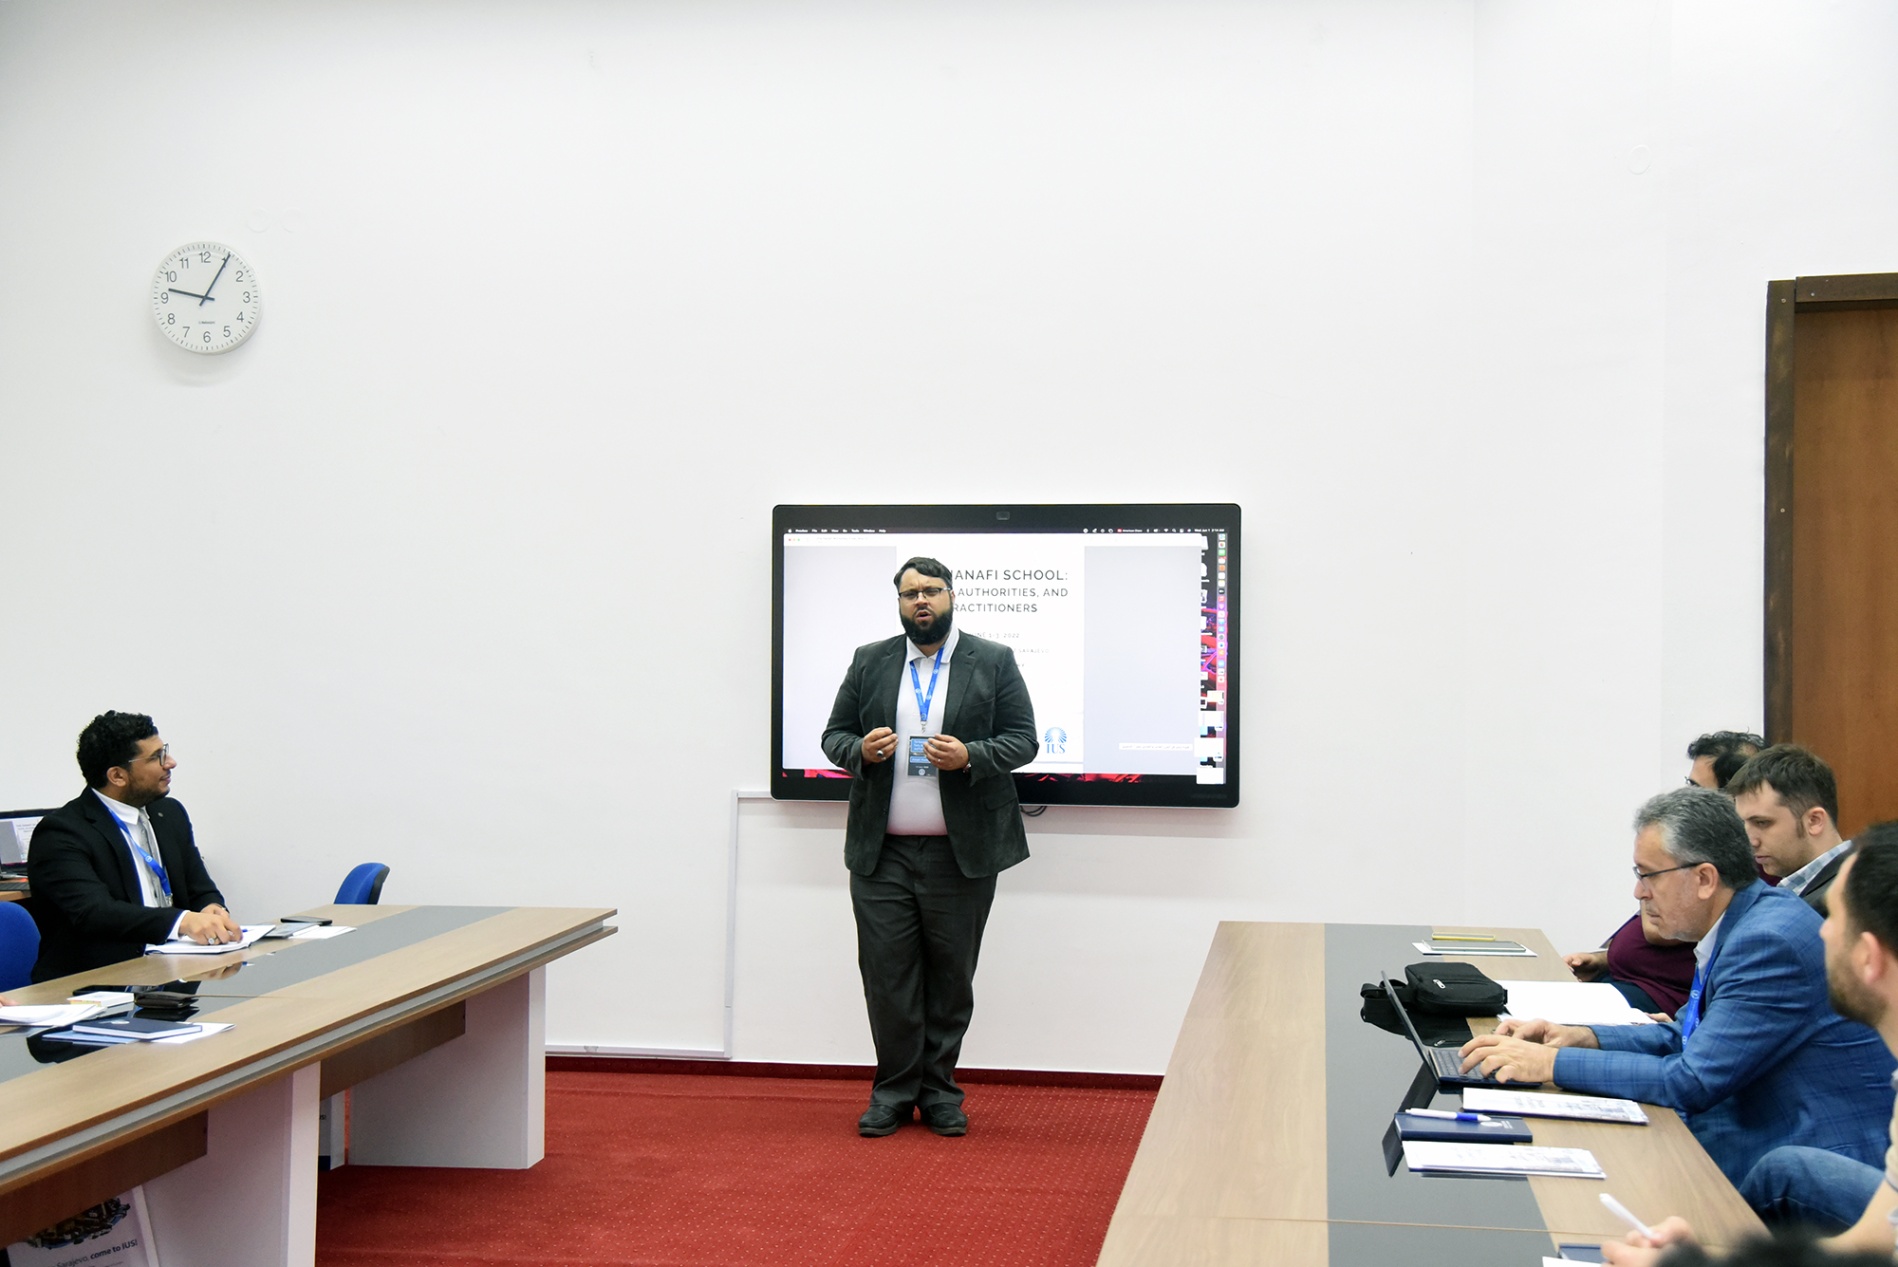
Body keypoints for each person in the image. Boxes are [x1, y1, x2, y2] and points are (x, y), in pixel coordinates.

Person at [1460, 786, 1894, 1191]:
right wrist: (1580, 1037)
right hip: (1762, 1135)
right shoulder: (1744, 920)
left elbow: (1692, 1079)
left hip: (1810, 1165)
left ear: (1705, 878)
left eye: (1649, 875)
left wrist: (1550, 1064)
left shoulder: (1767, 941)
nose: (1639, 892)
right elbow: (1685, 1035)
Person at [1603, 823, 1898, 1263]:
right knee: (1782, 1168)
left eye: (1835, 920)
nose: (1820, 933)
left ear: (1869, 957)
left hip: (1820, 1135)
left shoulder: (1768, 936)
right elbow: (1865, 1248)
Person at [821, 557, 1038, 1138]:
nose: (921, 600)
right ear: (898, 603)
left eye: (932, 591)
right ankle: (892, 1093)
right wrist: (859, 751)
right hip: (882, 854)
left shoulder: (992, 660)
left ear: (950, 597)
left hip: (960, 856)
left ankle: (940, 1093)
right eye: (910, 593)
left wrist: (972, 756)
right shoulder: (870, 660)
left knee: (950, 981)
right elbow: (834, 736)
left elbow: (1023, 740)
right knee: (887, 979)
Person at [28, 712, 240, 981]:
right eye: (156, 758)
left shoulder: (169, 813)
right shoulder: (62, 832)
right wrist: (183, 922)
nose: (171, 763)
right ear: (117, 775)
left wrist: (211, 908)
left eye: (165, 752)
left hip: (175, 973)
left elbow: (200, 888)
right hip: (96, 983)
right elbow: (94, 913)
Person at [1568, 731, 1764, 1014]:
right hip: (1625, 981)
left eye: (1696, 788)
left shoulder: (1739, 863)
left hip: (1659, 999)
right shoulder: (1690, 854)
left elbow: (1656, 929)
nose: (1686, 795)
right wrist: (1605, 958)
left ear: (1729, 801)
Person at [1726, 745, 1853, 915]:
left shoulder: (1850, 900)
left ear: (1814, 821)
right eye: (1743, 824)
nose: (1751, 841)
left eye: (1762, 823)